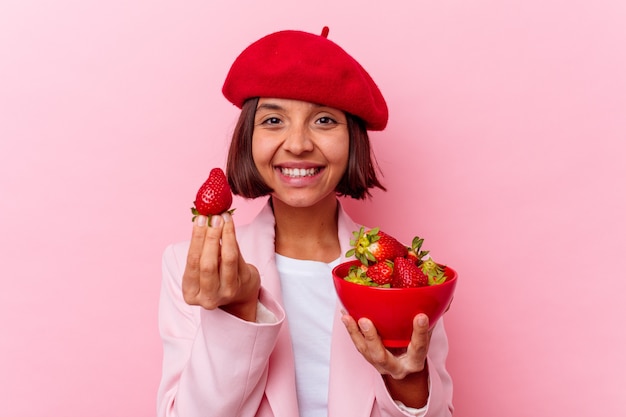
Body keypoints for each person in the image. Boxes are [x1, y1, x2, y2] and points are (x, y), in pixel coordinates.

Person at [157, 27, 454, 417]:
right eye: (274, 120)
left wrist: (406, 380)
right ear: (248, 137)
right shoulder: (192, 267)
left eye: (325, 121)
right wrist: (239, 311)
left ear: (353, 140)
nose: (297, 144)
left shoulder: (400, 272)